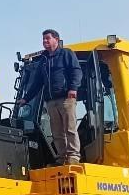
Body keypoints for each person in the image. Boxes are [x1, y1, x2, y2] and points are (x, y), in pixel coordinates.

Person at [17, 29, 82, 165]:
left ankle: (73, 156)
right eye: (43, 39)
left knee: (70, 128)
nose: (45, 41)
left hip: (66, 98)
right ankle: (62, 157)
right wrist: (26, 98)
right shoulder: (43, 60)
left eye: (47, 38)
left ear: (56, 40)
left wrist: (73, 88)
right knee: (57, 132)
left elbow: (76, 71)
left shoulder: (66, 54)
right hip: (50, 101)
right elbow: (37, 82)